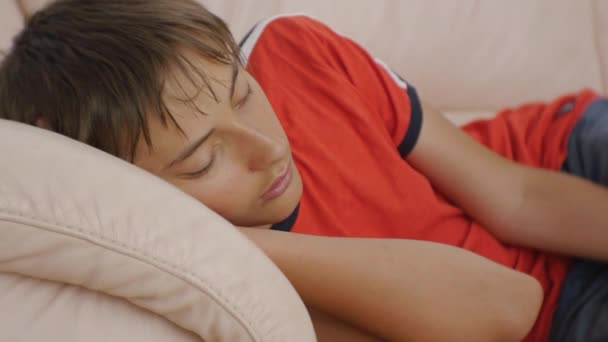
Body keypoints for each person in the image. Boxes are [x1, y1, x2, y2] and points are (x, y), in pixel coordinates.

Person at [0, 0, 606, 341]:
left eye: (243, 94)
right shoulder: (232, 283)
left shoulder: (293, 52)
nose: (267, 147)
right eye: (205, 160)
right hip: (555, 314)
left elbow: (515, 194)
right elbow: (509, 304)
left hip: (558, 158)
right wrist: (226, 243)